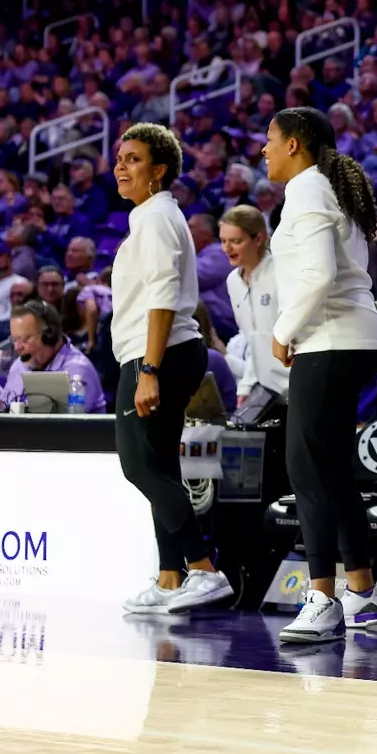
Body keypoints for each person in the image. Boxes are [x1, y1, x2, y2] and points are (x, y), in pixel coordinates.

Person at [264, 106, 377, 644]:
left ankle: (322, 598)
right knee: (332, 470)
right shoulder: (328, 188)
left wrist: (284, 329)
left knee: (306, 467)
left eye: (269, 141)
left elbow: (318, 274)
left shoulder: (307, 189)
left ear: (295, 144)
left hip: (330, 337)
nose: (263, 152)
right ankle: (362, 593)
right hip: (353, 336)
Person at [109, 124, 232, 617]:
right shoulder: (152, 215)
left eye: (133, 159)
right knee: (159, 467)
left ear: (158, 170)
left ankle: (203, 569)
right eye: (119, 157)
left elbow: (161, 296)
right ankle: (169, 577)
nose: (121, 166)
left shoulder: (156, 217)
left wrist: (149, 369)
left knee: (139, 466)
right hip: (161, 352)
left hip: (157, 353)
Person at [0, 301, 104, 413]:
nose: (18, 347)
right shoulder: (19, 365)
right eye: (14, 339)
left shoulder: (78, 371)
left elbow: (69, 426)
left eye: (24, 339)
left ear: (50, 336)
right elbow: (9, 409)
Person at [220, 206, 288, 404]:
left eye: (236, 241)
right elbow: (255, 341)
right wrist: (246, 385)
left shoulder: (281, 272)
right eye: (223, 241)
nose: (227, 249)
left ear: (258, 239)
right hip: (265, 390)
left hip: (297, 384)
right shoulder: (233, 281)